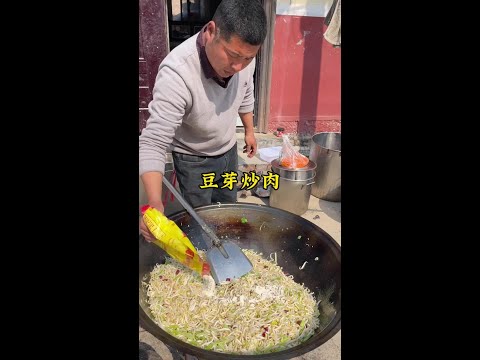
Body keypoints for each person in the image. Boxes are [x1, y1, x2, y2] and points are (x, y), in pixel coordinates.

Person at [139, 0, 267, 242]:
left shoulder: (244, 61)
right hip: (193, 159)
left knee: (227, 209)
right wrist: (154, 201)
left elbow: (246, 93)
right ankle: (203, 256)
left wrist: (249, 130)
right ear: (210, 32)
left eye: (248, 58)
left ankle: (227, 248)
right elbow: (153, 142)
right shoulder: (178, 73)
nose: (238, 66)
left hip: (228, 151)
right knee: (199, 218)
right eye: (233, 55)